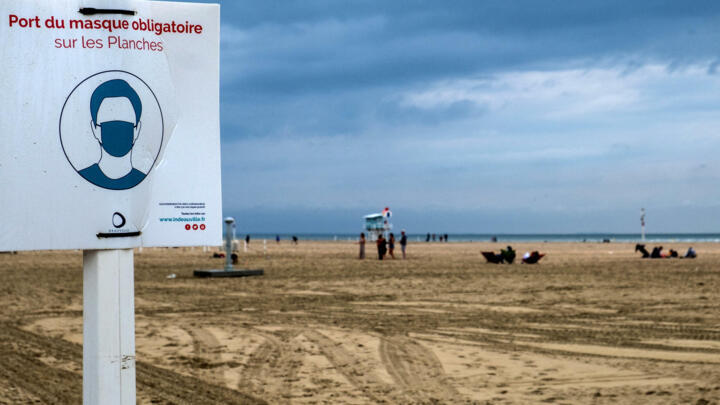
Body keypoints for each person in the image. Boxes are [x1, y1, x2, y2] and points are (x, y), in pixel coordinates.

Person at [79, 79, 147, 190]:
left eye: (125, 126)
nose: (117, 133)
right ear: (94, 129)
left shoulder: (146, 181)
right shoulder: (82, 178)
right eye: (109, 126)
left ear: (137, 130)